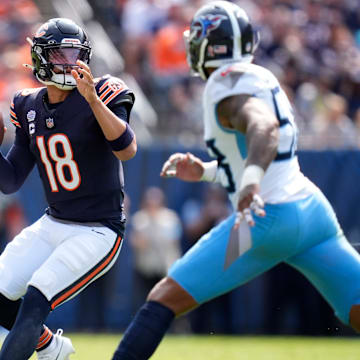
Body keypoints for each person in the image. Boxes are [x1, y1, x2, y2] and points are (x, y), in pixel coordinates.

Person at [111, 2, 360, 360]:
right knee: (356, 307)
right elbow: (260, 148)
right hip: (311, 211)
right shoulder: (262, 75)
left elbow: (264, 128)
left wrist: (250, 184)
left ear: (210, 45)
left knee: (164, 296)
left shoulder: (223, 85)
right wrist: (208, 171)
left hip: (265, 220)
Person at [0, 17, 136, 360]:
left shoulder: (104, 90)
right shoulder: (27, 104)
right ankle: (50, 348)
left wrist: (93, 101)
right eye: (61, 54)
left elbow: (126, 148)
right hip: (54, 222)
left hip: (98, 231)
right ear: (42, 58)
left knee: (35, 299)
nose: (70, 63)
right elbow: (10, 180)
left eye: (75, 54)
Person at [130, 186, 182, 313]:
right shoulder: (140, 218)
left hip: (165, 267)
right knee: (145, 300)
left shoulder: (170, 218)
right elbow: (137, 242)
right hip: (145, 268)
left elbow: (174, 241)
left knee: (167, 300)